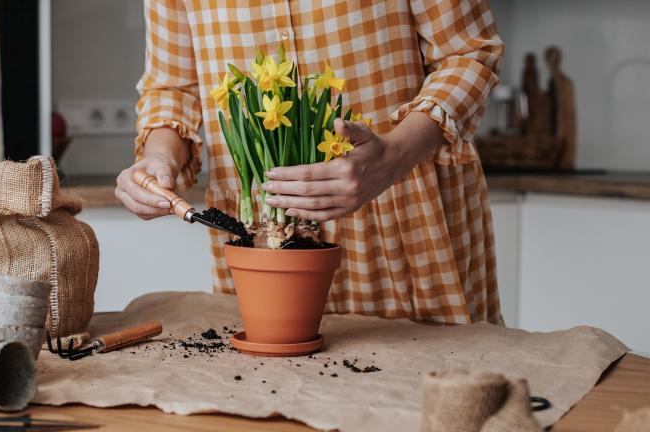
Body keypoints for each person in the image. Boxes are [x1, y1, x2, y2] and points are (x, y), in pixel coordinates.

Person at [116, 0, 504, 324]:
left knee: (445, 400)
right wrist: (159, 155)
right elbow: (172, 87)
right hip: (262, 238)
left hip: (408, 220)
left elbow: (470, 53)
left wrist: (391, 157)